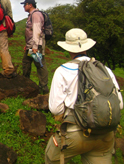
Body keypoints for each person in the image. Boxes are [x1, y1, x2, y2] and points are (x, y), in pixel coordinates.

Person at [45, 28, 123, 164]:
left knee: (51, 158)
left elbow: (55, 109)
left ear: (68, 48)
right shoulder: (105, 70)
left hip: (75, 132)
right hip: (104, 134)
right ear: (87, 46)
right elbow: (120, 104)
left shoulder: (62, 71)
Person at [20, 0, 49, 94]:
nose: (24, 6)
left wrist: (35, 46)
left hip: (35, 46)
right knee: (26, 62)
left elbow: (37, 30)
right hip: (31, 45)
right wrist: (27, 45)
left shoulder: (36, 15)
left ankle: (43, 88)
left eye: (25, 5)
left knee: (40, 65)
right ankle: (26, 83)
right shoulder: (32, 15)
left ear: (30, 5)